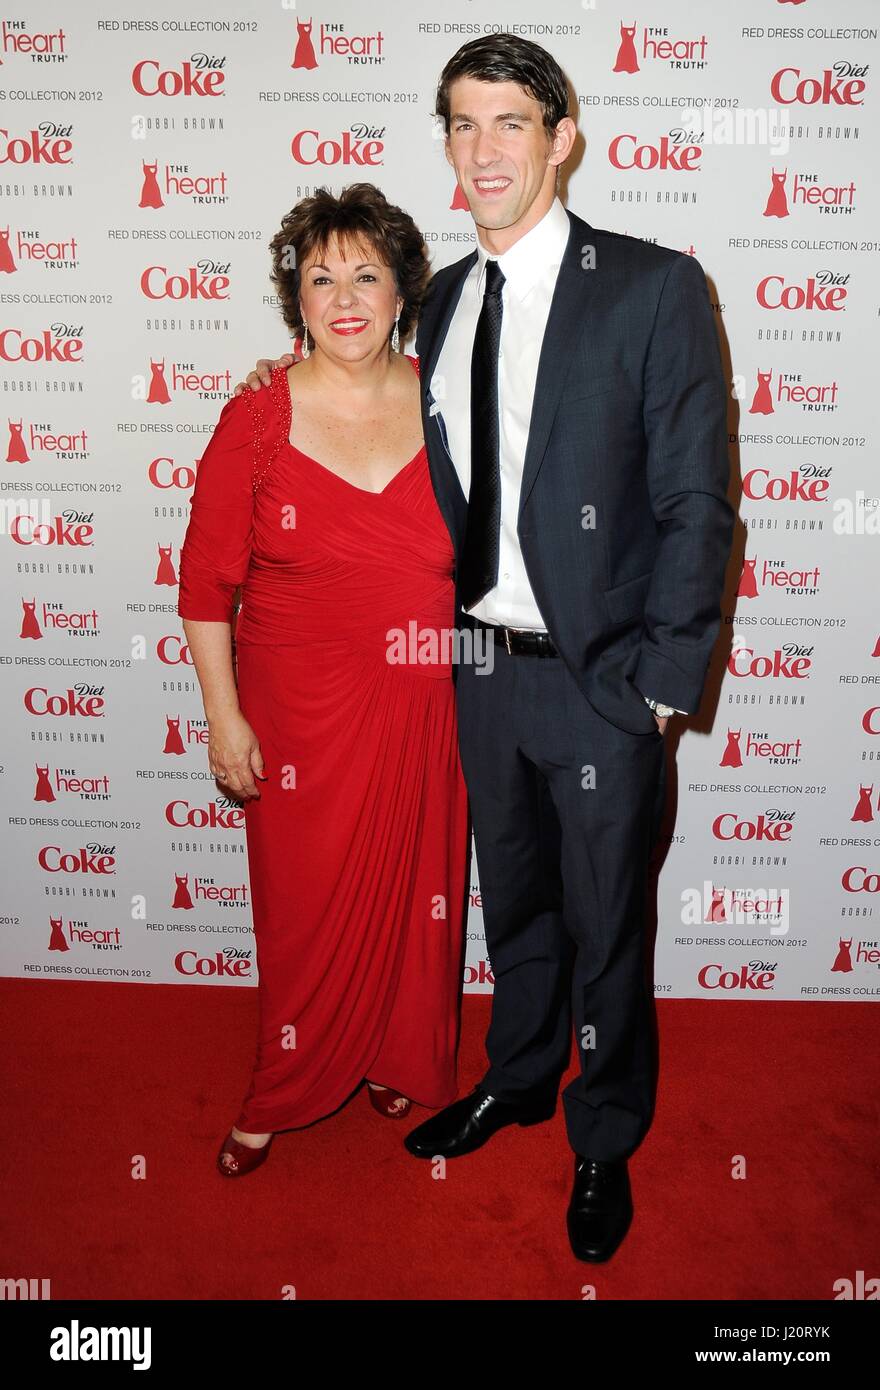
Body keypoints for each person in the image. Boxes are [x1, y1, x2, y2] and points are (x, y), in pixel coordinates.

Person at [239, 33, 735, 1259]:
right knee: (512, 904)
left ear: (562, 137)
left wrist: (663, 688)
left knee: (605, 922)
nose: (483, 148)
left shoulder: (654, 286)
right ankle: (518, 1076)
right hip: (472, 673)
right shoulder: (445, 300)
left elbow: (696, 506)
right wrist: (285, 369)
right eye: (461, 123)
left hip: (602, 684)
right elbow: (358, 403)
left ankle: (601, 1134)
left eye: (510, 121)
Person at [178, 183, 469, 1178]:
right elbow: (204, 588)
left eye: (365, 275)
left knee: (416, 891)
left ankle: (395, 1051)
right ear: (292, 298)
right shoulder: (255, 418)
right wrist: (224, 720)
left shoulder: (450, 403)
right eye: (318, 278)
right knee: (302, 907)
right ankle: (286, 1081)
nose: (343, 298)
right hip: (295, 714)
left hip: (425, 703)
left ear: (403, 291)